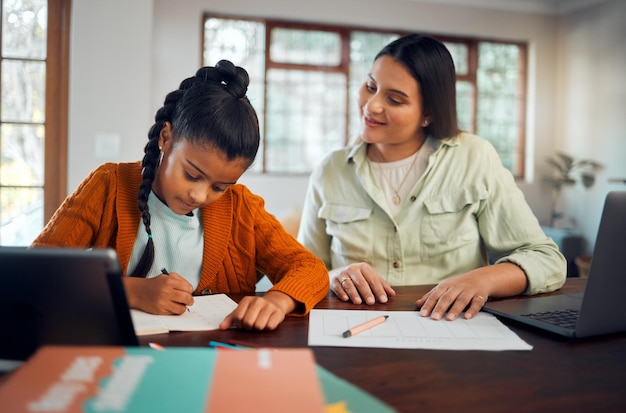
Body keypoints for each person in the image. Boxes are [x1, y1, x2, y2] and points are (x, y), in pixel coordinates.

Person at [32, 60, 329, 331]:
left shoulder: (242, 208)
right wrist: (131, 291)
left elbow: (310, 269)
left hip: (213, 359)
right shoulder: (109, 185)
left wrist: (278, 300)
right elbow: (35, 271)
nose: (200, 195)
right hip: (118, 351)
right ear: (166, 137)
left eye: (220, 187)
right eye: (192, 175)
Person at [297, 34, 566, 321]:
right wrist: (334, 275)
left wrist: (482, 280)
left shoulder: (474, 157)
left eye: (395, 99)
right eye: (371, 87)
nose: (371, 105)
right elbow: (298, 269)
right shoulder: (331, 170)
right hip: (354, 331)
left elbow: (545, 259)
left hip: (451, 328)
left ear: (428, 113)